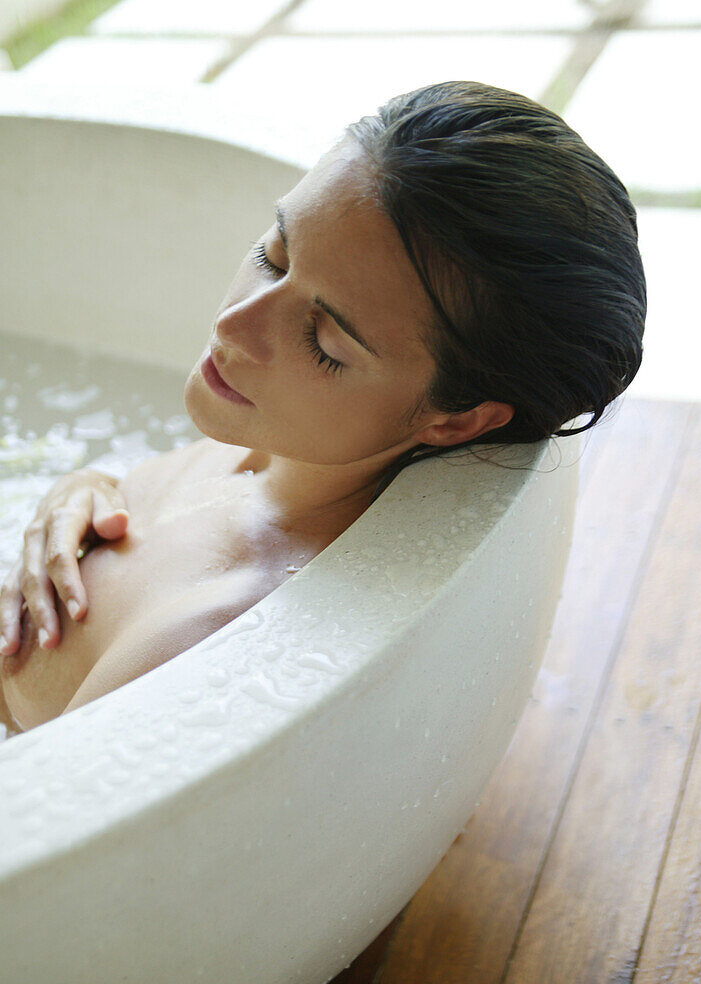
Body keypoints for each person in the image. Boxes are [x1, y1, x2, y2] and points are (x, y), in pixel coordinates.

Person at [0, 80, 646, 735]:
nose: (234, 325)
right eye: (273, 256)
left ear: (456, 420)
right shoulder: (268, 440)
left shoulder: (207, 626)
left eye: (326, 342)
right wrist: (82, 488)